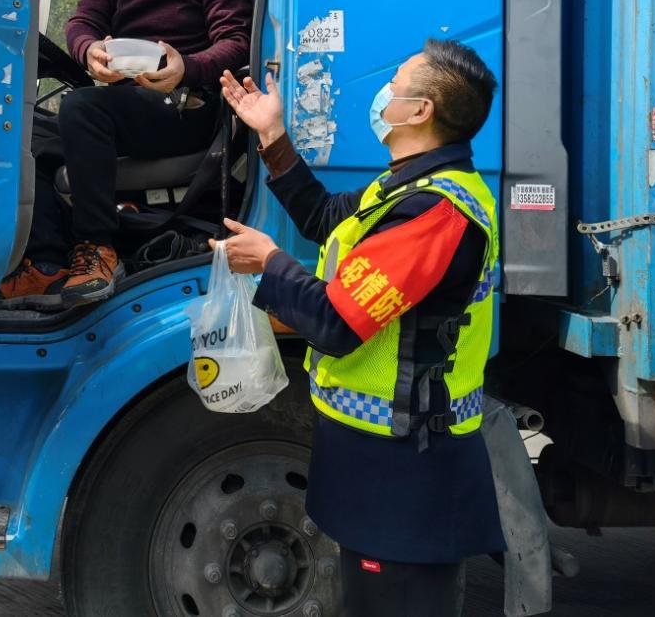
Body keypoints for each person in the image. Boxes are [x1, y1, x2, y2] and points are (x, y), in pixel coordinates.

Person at [213, 39, 504, 617]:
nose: (382, 95)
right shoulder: (403, 187)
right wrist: (272, 137)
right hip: (379, 453)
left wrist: (271, 263)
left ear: (420, 111)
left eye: (394, 83)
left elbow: (337, 322)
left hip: (406, 463)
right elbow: (326, 219)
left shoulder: (436, 214)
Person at [0, 0, 253, 308]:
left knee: (82, 108)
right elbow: (82, 24)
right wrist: (89, 51)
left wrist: (185, 66)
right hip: (125, 104)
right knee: (21, 136)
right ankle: (49, 264)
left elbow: (236, 41)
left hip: (187, 106)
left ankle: (98, 249)